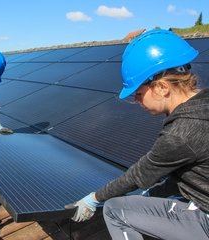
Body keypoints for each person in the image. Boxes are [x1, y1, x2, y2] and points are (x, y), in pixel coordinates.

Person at [68, 29, 209, 240]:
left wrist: (94, 198)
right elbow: (189, 174)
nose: (137, 102)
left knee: (115, 211)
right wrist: (153, 194)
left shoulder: (181, 134)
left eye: (139, 94)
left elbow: (138, 174)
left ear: (161, 87)